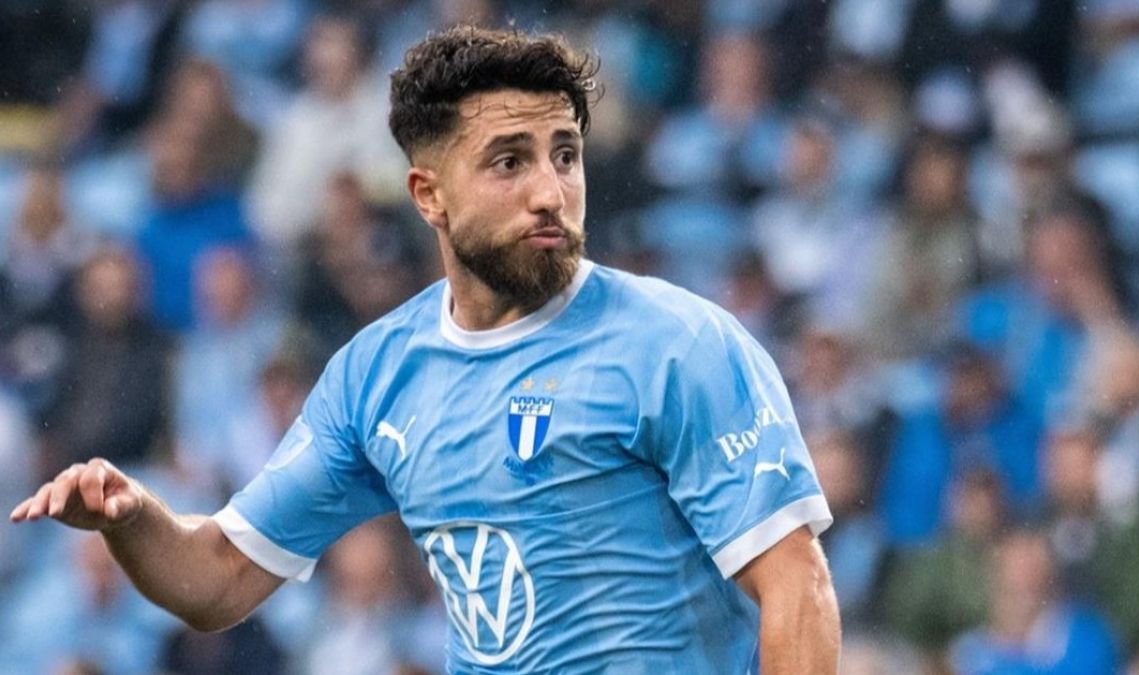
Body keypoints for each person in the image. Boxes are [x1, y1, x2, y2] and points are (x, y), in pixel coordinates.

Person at [10, 26, 840, 673]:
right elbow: (219, 576)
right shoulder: (375, 377)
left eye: (565, 154)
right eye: (510, 162)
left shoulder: (680, 346)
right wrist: (133, 518)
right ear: (428, 195)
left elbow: (796, 584)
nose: (551, 191)